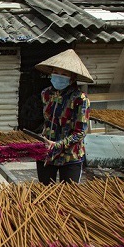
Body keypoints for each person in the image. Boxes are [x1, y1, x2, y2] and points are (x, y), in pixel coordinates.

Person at [34, 49, 93, 185]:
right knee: (45, 192)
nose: (58, 76)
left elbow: (80, 132)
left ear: (71, 78)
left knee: (69, 195)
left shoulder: (80, 99)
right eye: (56, 72)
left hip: (70, 155)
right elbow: (45, 121)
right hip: (46, 153)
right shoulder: (46, 94)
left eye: (63, 74)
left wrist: (59, 145)